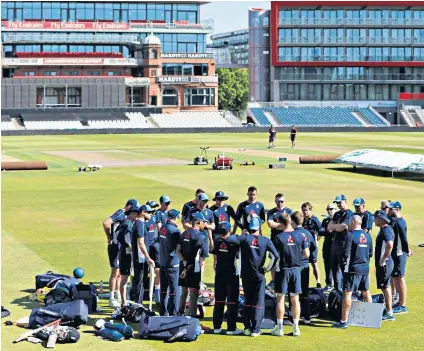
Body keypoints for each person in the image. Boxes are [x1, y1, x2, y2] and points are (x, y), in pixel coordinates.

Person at [222, 217, 279, 337]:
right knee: (259, 302)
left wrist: (241, 234)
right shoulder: (266, 240)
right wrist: (268, 268)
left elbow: (228, 239)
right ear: (259, 227)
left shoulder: (244, 238)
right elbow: (276, 255)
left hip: (246, 275)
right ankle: (256, 329)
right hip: (259, 275)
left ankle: (247, 328)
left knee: (247, 301)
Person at [271, 214, 309, 337]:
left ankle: (280, 328)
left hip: (283, 270)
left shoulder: (278, 237)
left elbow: (273, 257)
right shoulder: (301, 235)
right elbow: (307, 254)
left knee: (280, 299)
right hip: (296, 270)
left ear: (281, 223)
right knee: (295, 299)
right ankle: (296, 328)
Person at [333, 216, 372, 329]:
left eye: (350, 222)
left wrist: (342, 263)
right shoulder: (367, 236)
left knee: (347, 293)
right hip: (365, 268)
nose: (349, 224)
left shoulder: (350, 235)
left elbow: (346, 253)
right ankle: (369, 319)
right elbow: (370, 253)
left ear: (354, 222)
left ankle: (344, 321)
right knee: (365, 292)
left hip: (352, 269)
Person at [102, 199, 138, 308]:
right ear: (129, 206)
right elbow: (106, 223)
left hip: (120, 246)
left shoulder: (126, 217)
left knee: (119, 273)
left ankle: (118, 296)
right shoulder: (120, 213)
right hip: (115, 246)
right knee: (115, 272)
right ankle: (112, 298)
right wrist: (109, 237)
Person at [212, 222, 242, 335]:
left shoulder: (217, 241)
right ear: (229, 231)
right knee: (232, 301)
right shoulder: (234, 241)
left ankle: (216, 327)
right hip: (231, 274)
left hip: (219, 274)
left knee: (219, 301)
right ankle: (231, 328)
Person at [177, 213, 209, 317]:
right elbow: (202, 258)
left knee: (184, 291)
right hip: (194, 267)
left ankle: (180, 313)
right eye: (204, 222)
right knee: (194, 293)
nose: (205, 224)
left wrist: (184, 262)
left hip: (183, 266)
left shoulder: (184, 233)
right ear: (198, 222)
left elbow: (178, 251)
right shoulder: (201, 236)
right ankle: (193, 317)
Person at [292, 211, 317, 325]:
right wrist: (313, 259)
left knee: (293, 292)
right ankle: (306, 317)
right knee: (305, 292)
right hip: (305, 265)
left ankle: (294, 316)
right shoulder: (308, 233)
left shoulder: (291, 234)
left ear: (292, 221)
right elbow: (313, 248)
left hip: (295, 266)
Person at [388, 201, 410, 314]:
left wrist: (406, 251)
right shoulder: (395, 221)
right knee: (395, 277)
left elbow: (404, 239)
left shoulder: (400, 222)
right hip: (395, 254)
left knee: (400, 278)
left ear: (396, 209)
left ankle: (403, 305)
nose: (389, 210)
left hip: (400, 254)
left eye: (391, 209)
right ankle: (399, 302)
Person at [328, 195, 354, 292]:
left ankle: (346, 290)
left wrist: (335, 226)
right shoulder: (337, 214)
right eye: (337, 203)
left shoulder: (349, 213)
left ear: (345, 201)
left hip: (344, 243)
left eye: (340, 202)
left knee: (344, 268)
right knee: (334, 268)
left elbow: (343, 227)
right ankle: (337, 290)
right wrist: (336, 226)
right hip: (335, 242)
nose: (338, 204)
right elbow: (329, 227)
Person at [158, 209, 182, 316]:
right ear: (176, 218)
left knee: (163, 289)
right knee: (174, 290)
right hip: (173, 264)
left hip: (163, 262)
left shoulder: (163, 227)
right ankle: (173, 313)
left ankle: (163, 311)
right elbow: (179, 248)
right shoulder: (175, 231)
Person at [374, 210, 395, 321]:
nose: (374, 219)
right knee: (385, 287)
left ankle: (390, 312)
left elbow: (390, 244)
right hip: (384, 263)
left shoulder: (386, 230)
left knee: (386, 287)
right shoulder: (384, 229)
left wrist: (383, 259)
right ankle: (389, 310)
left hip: (385, 264)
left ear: (381, 219)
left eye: (376, 217)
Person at [267, 193, 293, 284]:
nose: (280, 203)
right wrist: (284, 225)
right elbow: (270, 224)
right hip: (274, 240)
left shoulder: (289, 211)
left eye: (281, 201)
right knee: (273, 260)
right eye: (278, 201)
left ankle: (286, 280)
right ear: (275, 201)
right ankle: (274, 281)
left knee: (286, 260)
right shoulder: (271, 212)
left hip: (286, 241)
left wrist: (277, 225)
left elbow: (291, 225)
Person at [116, 206, 139, 307]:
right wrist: (128, 246)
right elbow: (120, 237)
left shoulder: (130, 222)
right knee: (124, 277)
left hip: (128, 252)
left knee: (127, 277)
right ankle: (124, 302)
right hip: (126, 253)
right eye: (136, 213)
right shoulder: (126, 223)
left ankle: (125, 299)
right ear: (132, 213)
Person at [132, 205, 155, 304]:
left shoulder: (139, 223)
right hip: (140, 258)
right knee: (139, 282)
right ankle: (138, 305)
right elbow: (140, 243)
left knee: (140, 281)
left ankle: (138, 304)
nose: (151, 214)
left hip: (140, 257)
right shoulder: (140, 224)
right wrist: (148, 258)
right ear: (142, 212)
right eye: (148, 212)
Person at [143, 202, 161, 304]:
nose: (154, 211)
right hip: (146, 248)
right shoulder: (143, 221)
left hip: (155, 246)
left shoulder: (155, 217)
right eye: (152, 209)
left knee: (158, 269)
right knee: (145, 271)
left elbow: (159, 229)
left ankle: (156, 290)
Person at [301, 202, 322, 288]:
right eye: (303, 210)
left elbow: (320, 231)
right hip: (304, 246)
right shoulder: (302, 220)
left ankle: (318, 282)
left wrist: (317, 240)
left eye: (306, 210)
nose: (304, 212)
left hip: (312, 246)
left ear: (310, 210)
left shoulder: (315, 220)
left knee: (314, 263)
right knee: (303, 264)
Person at [318, 203, 337, 291]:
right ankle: (329, 284)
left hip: (336, 246)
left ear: (335, 209)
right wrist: (329, 230)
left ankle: (337, 286)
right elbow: (320, 232)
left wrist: (331, 230)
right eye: (328, 209)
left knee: (337, 267)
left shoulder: (338, 220)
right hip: (327, 246)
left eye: (331, 209)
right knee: (327, 266)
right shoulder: (325, 220)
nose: (329, 211)